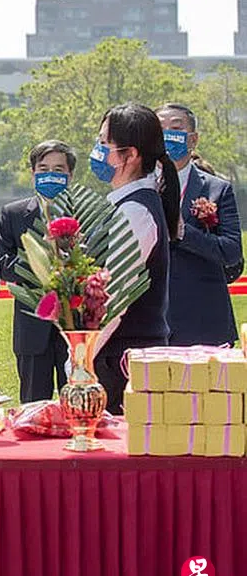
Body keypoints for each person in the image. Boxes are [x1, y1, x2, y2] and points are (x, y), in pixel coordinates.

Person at [90, 103, 180, 411]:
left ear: (130, 155)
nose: (98, 150)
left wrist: (81, 355)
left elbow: (114, 297)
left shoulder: (135, 212)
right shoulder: (126, 204)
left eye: (105, 143)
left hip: (124, 360)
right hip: (118, 355)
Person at [0, 140, 77, 403]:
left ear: (70, 175)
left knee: (76, 400)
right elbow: (1, 263)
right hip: (31, 326)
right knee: (32, 404)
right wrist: (40, 263)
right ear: (33, 174)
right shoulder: (13, 214)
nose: (50, 175)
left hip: (75, 326)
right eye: (43, 169)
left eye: (58, 170)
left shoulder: (84, 212)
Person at [156, 103, 242, 346]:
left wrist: (185, 232)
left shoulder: (217, 189)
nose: (167, 135)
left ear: (193, 140)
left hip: (202, 319)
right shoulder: (139, 186)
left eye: (176, 128)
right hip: (150, 319)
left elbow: (231, 251)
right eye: (160, 129)